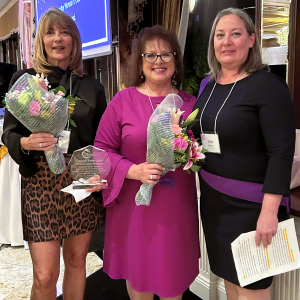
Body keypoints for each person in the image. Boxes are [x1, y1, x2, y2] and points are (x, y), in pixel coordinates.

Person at [2, 8, 106, 300]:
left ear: (74, 40)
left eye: (64, 32)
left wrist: (101, 173)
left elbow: (102, 140)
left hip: (82, 179)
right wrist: (26, 143)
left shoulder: (92, 87)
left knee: (76, 262)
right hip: (40, 182)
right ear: (41, 41)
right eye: (50, 32)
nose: (58, 39)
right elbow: (8, 133)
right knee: (45, 275)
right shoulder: (25, 81)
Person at [193, 7, 295, 300]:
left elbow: (281, 153)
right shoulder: (208, 86)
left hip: (253, 208)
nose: (227, 41)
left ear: (251, 39)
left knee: (253, 290)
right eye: (220, 35)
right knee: (230, 285)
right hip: (215, 205)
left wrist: (268, 212)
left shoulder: (268, 86)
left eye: (235, 34)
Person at [94, 25, 199, 300]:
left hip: (176, 208)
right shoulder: (122, 101)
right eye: (150, 55)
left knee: (172, 282)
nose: (158, 61)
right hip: (135, 208)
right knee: (139, 282)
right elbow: (101, 151)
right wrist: (133, 170)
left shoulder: (191, 104)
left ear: (176, 61)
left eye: (166, 54)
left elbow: (204, 152)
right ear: (140, 61)